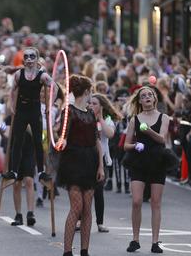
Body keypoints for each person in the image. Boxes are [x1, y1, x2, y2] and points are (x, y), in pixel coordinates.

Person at [56, 75, 105, 256]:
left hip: (90, 160)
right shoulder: (68, 111)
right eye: (90, 91)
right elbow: (63, 137)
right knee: (76, 207)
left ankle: (85, 251)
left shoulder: (91, 114)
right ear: (86, 92)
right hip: (73, 160)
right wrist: (61, 142)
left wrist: (100, 166)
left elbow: (97, 141)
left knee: (87, 208)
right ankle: (67, 251)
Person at [123, 85, 169, 254]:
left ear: (155, 99)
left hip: (158, 161)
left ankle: (155, 242)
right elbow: (126, 145)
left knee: (155, 202)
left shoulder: (164, 117)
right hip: (139, 161)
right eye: (144, 96)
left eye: (150, 95)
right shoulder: (135, 119)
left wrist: (148, 131)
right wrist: (135, 145)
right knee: (136, 201)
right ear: (140, 101)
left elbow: (162, 139)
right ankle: (135, 239)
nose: (147, 97)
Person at [3, 47, 54, 182]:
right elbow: (12, 91)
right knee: (17, 140)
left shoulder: (42, 75)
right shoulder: (19, 74)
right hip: (21, 110)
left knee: (38, 140)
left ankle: (41, 171)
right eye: (26, 57)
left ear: (37, 59)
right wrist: (12, 105)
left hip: (34, 110)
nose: (29, 60)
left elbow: (54, 87)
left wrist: (50, 105)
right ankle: (13, 171)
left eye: (32, 57)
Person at [90, 92, 120, 233]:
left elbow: (109, 134)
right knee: (84, 190)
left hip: (101, 158)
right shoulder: (85, 117)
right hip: (86, 156)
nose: (91, 106)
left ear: (101, 106)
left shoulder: (107, 119)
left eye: (95, 104)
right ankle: (79, 220)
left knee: (98, 190)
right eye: (90, 103)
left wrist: (100, 118)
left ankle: (100, 222)